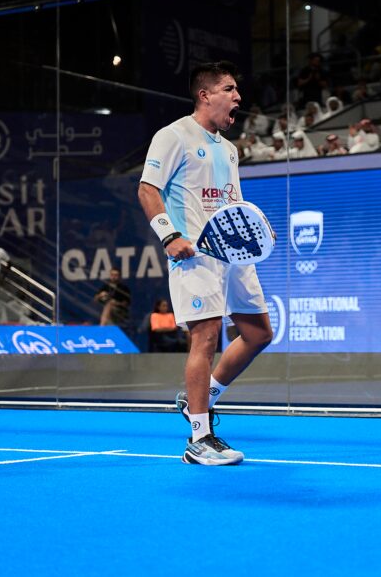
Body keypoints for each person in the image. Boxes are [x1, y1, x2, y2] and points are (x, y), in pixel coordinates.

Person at [138, 60, 273, 466]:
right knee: (207, 335)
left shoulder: (229, 149)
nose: (238, 98)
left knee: (258, 334)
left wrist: (255, 233)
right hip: (194, 255)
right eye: (230, 89)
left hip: (234, 255)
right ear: (205, 95)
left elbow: (232, 203)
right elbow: (147, 189)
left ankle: (199, 397)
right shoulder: (174, 135)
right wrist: (169, 235)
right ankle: (199, 438)